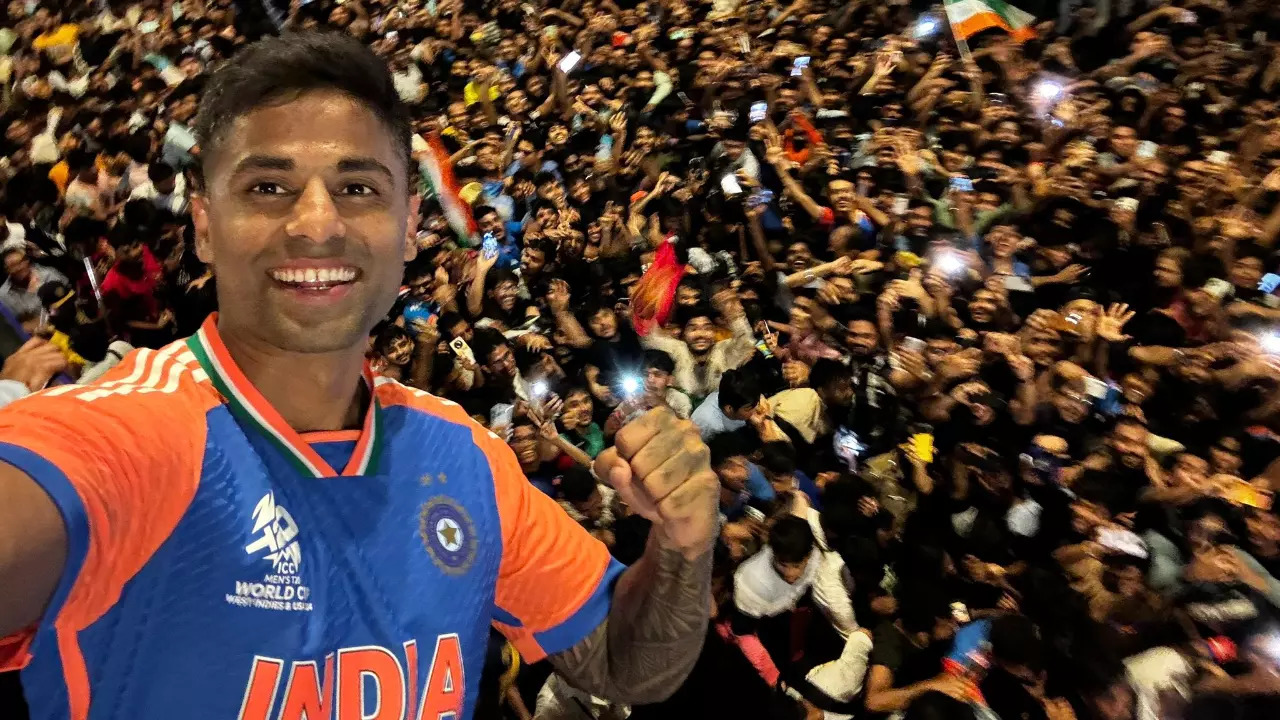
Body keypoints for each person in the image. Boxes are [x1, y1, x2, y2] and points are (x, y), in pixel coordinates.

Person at [0, 32, 717, 718]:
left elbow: (628, 665)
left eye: (359, 188)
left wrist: (683, 543)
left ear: (409, 225)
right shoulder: (126, 432)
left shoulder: (467, 461)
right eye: (269, 187)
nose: (317, 223)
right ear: (203, 225)